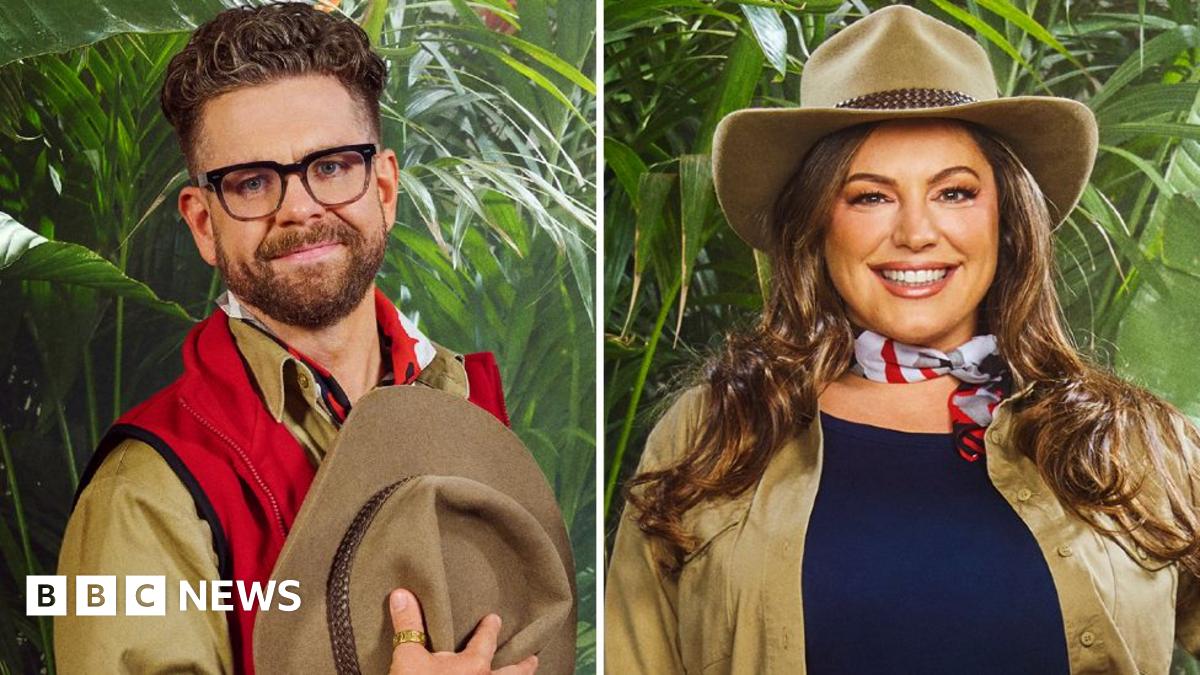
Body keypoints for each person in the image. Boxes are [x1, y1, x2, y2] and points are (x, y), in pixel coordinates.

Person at [605, 6, 1200, 675]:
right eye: (869, 197)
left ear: (1005, 219)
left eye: (953, 192)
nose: (916, 232)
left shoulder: (1137, 442)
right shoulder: (715, 435)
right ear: (813, 225)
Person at [55, 4, 535, 674]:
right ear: (202, 223)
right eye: (252, 182)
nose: (300, 207)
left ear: (385, 187)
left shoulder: (469, 407)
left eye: (333, 165)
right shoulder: (143, 494)